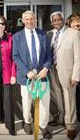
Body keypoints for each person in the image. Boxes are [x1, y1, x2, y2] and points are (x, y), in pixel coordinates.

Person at [13, 10, 51, 139]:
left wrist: (46, 67)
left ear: (35, 19)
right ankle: (28, 122)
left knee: (44, 101)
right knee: (27, 100)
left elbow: (49, 55)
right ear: (22, 20)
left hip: (42, 74)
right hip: (27, 75)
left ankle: (43, 125)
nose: (30, 21)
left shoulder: (43, 34)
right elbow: (16, 56)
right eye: (27, 19)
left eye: (32, 19)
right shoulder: (17, 36)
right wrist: (27, 71)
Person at [47, 11, 80, 140]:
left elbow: (79, 57)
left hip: (68, 72)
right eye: (54, 20)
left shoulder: (74, 33)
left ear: (63, 19)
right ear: (52, 21)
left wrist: (75, 76)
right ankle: (61, 118)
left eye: (59, 19)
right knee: (58, 96)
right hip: (53, 70)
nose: (57, 22)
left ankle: (71, 126)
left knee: (69, 98)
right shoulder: (49, 34)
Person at [66, 13, 80, 122]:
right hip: (69, 69)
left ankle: (78, 111)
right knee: (69, 93)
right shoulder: (66, 36)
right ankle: (68, 112)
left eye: (78, 22)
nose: (76, 24)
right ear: (69, 24)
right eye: (73, 22)